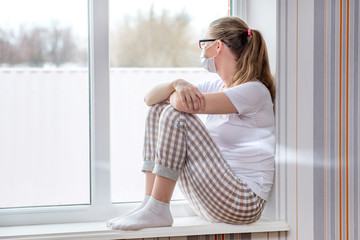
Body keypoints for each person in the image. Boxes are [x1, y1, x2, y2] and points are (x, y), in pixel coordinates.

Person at [106, 16, 276, 231]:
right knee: (159, 109)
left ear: (217, 46)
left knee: (175, 114)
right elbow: (150, 98)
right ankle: (150, 203)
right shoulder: (217, 84)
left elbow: (180, 105)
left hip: (244, 201)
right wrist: (176, 82)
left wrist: (178, 91)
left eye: (203, 43)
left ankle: (158, 208)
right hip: (216, 196)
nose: (201, 50)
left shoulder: (253, 91)